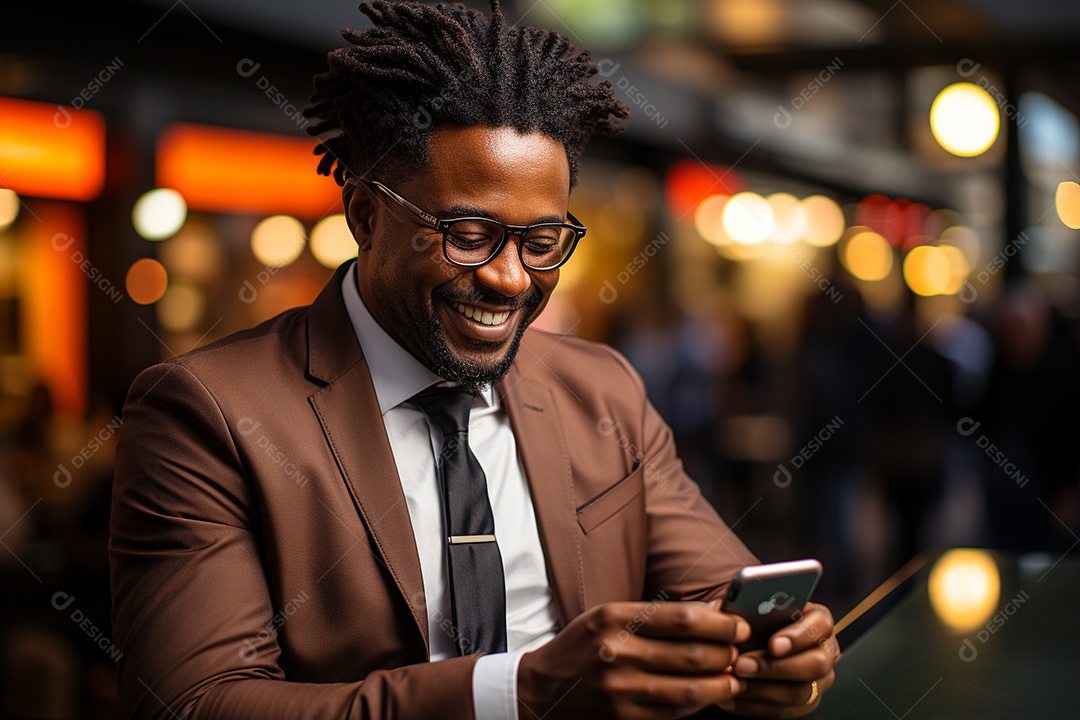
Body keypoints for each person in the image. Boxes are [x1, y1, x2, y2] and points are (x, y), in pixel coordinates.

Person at [108, 2, 838, 719]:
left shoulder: (602, 389)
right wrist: (518, 692)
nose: (511, 279)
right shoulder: (205, 411)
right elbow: (194, 701)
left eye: (542, 242)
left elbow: (716, 588)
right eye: (467, 234)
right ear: (365, 215)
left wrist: (776, 651)